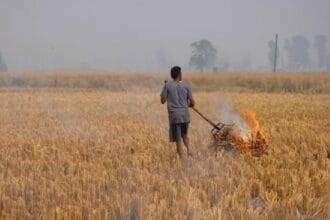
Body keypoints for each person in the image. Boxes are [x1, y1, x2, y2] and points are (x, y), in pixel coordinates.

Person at [160, 66, 195, 159]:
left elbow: (162, 100)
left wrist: (166, 91)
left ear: (172, 75)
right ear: (179, 75)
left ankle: (183, 162)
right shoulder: (186, 85)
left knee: (178, 139)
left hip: (175, 117)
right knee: (185, 135)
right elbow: (192, 102)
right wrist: (189, 104)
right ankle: (189, 150)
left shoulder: (167, 85)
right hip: (185, 115)